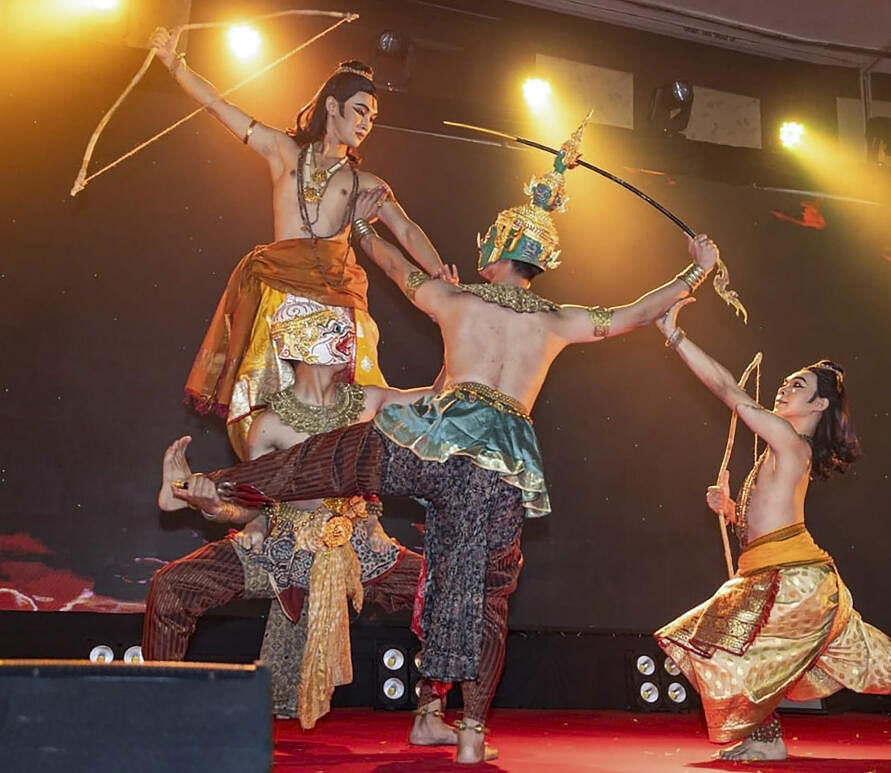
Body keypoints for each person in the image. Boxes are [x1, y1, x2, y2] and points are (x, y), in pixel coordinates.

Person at [160, 119, 722, 764]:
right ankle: (471, 733)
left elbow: (399, 271)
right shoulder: (561, 321)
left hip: (437, 441)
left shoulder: (458, 299)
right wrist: (695, 273)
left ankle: (200, 487)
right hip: (505, 464)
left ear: (495, 251)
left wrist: (365, 226)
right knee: (483, 587)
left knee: (335, 459)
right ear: (541, 262)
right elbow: (636, 312)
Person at [652, 296, 891, 762]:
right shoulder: (781, 449)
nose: (784, 389)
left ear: (819, 403)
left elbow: (730, 392)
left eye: (798, 385)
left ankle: (768, 738)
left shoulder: (791, 442)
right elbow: (766, 525)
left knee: (717, 639)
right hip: (788, 577)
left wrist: (675, 336)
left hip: (794, 582)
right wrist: (732, 510)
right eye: (787, 382)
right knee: (876, 661)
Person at [147, 27, 446, 457]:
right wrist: (175, 64)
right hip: (277, 292)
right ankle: (269, 498)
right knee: (261, 400)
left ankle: (336, 490)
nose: (365, 123)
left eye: (372, 118)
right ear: (332, 106)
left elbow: (407, 231)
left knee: (352, 405)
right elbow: (219, 106)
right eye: (360, 111)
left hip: (334, 300)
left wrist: (440, 277)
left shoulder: (364, 182)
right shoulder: (283, 151)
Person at [146, 295, 435, 730]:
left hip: (361, 551)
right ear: (300, 344)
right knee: (171, 586)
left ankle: (433, 715)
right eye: (334, 329)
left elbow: (437, 400)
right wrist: (207, 504)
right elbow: (249, 509)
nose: (347, 337)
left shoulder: (369, 402)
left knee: (446, 591)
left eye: (344, 328)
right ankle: (155, 713)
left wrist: (454, 324)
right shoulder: (269, 425)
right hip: (284, 551)